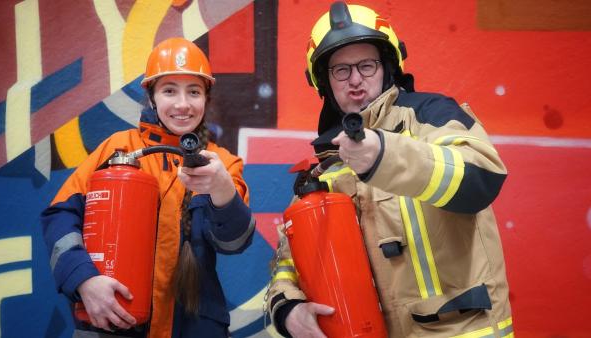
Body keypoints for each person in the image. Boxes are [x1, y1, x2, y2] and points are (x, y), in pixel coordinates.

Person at [266, 2, 513, 337]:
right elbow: (291, 262)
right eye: (341, 70)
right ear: (324, 82)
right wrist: (288, 308)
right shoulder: (327, 166)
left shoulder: (432, 116)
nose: (355, 80)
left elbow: (482, 179)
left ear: (386, 67)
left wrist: (386, 155)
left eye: (366, 66)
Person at [41, 37, 255, 338]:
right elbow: (59, 217)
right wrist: (83, 280)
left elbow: (234, 242)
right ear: (152, 97)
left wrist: (222, 191)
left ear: (206, 98)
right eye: (169, 91)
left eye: (193, 91)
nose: (182, 104)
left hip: (194, 326)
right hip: (114, 321)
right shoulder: (117, 148)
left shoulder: (222, 163)